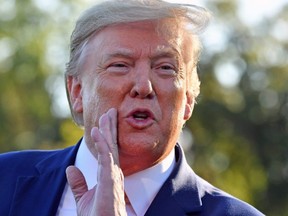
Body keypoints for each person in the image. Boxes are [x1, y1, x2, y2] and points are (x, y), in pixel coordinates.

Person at [0, 0, 264, 215]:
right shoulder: (5, 182)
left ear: (188, 101)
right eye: (120, 65)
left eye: (165, 68)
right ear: (77, 91)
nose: (143, 86)